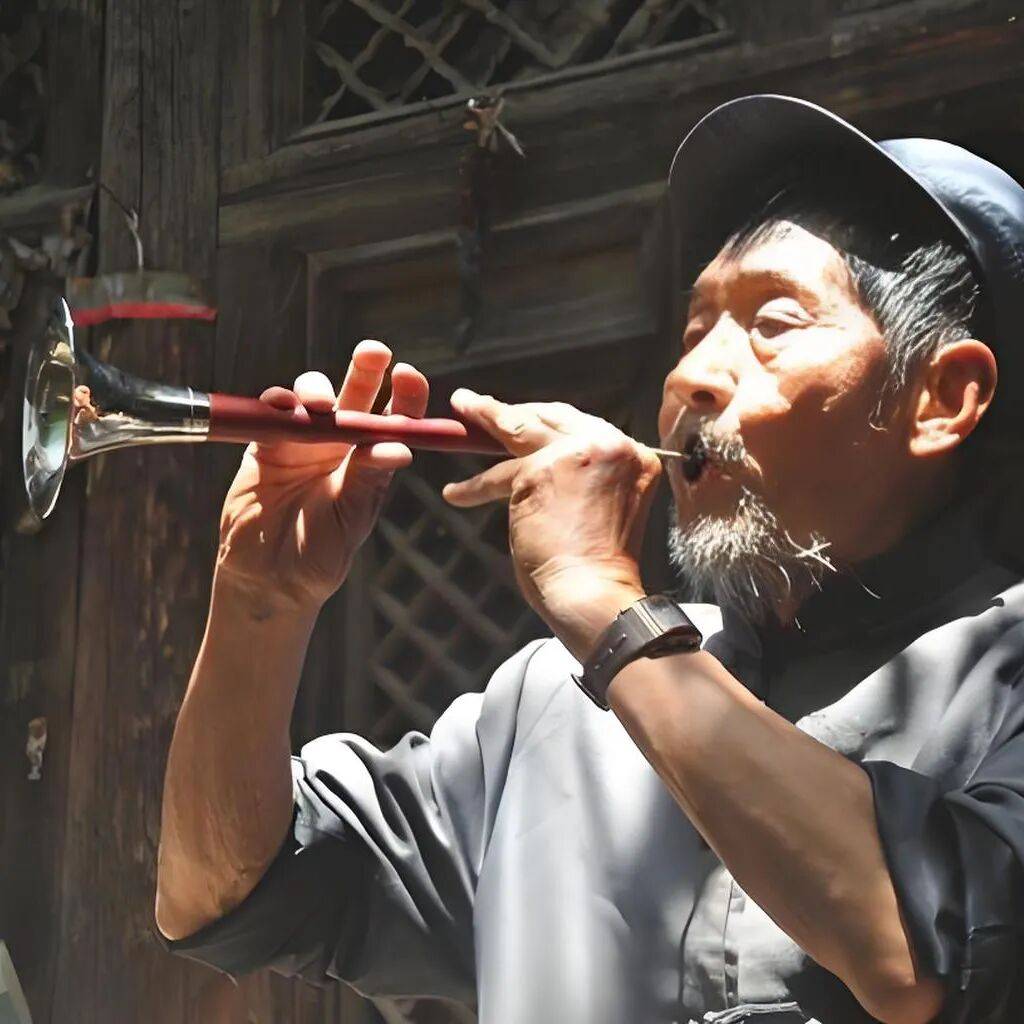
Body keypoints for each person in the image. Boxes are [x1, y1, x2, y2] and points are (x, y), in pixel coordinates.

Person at [155, 96, 1024, 1024]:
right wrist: (259, 604)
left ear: (942, 398)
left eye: (773, 323)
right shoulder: (548, 705)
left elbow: (918, 955)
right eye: (694, 333)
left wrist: (609, 606)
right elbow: (218, 895)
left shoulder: (1002, 674)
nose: (691, 378)